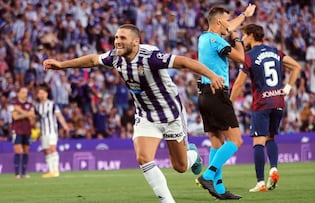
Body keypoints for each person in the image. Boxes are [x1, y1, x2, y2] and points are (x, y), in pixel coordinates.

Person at [43, 24, 224, 203]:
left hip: (171, 114)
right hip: (146, 115)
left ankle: (193, 156)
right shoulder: (115, 57)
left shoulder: (151, 57)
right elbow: (92, 60)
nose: (117, 42)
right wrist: (61, 65)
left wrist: (212, 76)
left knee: (181, 166)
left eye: (122, 38)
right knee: (143, 158)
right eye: (116, 38)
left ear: (136, 42)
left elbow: (185, 62)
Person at [230, 24, 301, 192]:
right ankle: (274, 168)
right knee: (271, 138)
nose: (243, 39)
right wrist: (288, 88)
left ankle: (260, 182)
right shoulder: (275, 51)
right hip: (278, 101)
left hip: (262, 103)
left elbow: (239, 83)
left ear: (252, 35)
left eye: (244, 35)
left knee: (258, 142)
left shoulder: (249, 56)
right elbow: (297, 67)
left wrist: (229, 103)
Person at [195, 4, 256, 200]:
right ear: (219, 21)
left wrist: (244, 15)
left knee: (217, 141)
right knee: (236, 140)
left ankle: (219, 189)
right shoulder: (215, 40)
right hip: (217, 94)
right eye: (227, 22)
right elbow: (241, 58)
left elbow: (229, 26)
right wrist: (237, 38)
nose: (229, 27)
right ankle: (208, 175)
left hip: (204, 95)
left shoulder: (204, 38)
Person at [35, 85, 69, 178]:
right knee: (46, 151)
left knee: (52, 148)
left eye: (43, 93)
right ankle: (50, 171)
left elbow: (59, 115)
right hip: (43, 132)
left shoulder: (52, 104)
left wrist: (65, 126)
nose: (41, 95)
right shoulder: (37, 107)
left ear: (46, 94)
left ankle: (56, 170)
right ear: (38, 95)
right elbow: (36, 119)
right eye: (40, 93)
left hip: (52, 131)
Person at [11, 86, 35, 179]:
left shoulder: (30, 104)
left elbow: (32, 119)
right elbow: (15, 117)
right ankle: (17, 173)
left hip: (27, 130)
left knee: (26, 151)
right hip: (17, 130)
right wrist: (27, 114)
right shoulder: (14, 104)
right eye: (23, 92)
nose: (25, 94)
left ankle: (24, 173)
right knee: (17, 150)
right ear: (18, 93)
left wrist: (20, 111)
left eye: (26, 92)